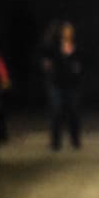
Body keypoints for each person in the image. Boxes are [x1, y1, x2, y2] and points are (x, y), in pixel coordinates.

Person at [42, 20, 83, 151]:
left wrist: (78, 70)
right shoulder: (54, 45)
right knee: (56, 111)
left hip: (72, 84)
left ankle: (75, 139)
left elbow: (82, 62)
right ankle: (55, 141)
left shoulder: (77, 46)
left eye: (70, 30)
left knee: (73, 111)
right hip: (56, 83)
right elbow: (46, 58)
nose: (68, 32)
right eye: (66, 30)